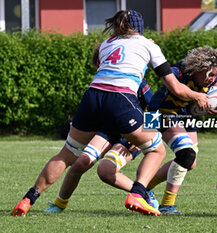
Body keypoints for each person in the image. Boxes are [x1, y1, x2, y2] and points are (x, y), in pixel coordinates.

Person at [11, 9, 208, 217]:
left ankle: (28, 199)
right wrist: (198, 96)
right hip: (120, 102)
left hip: (92, 97)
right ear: (141, 27)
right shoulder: (148, 45)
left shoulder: (107, 44)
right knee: (157, 150)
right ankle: (138, 193)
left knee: (68, 154)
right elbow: (175, 88)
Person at [43, 43, 154, 213]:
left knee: (105, 171)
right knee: (80, 163)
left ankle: (143, 194)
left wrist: (143, 138)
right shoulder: (101, 82)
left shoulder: (135, 80)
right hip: (108, 131)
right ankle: (59, 204)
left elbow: (154, 109)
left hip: (130, 134)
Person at [143, 45, 217, 214]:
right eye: (210, 74)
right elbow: (171, 84)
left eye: (215, 74)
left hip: (183, 115)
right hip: (160, 112)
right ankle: (167, 205)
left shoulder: (213, 76)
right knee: (186, 154)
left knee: (190, 161)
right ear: (198, 69)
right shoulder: (178, 72)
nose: (213, 78)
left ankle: (143, 188)